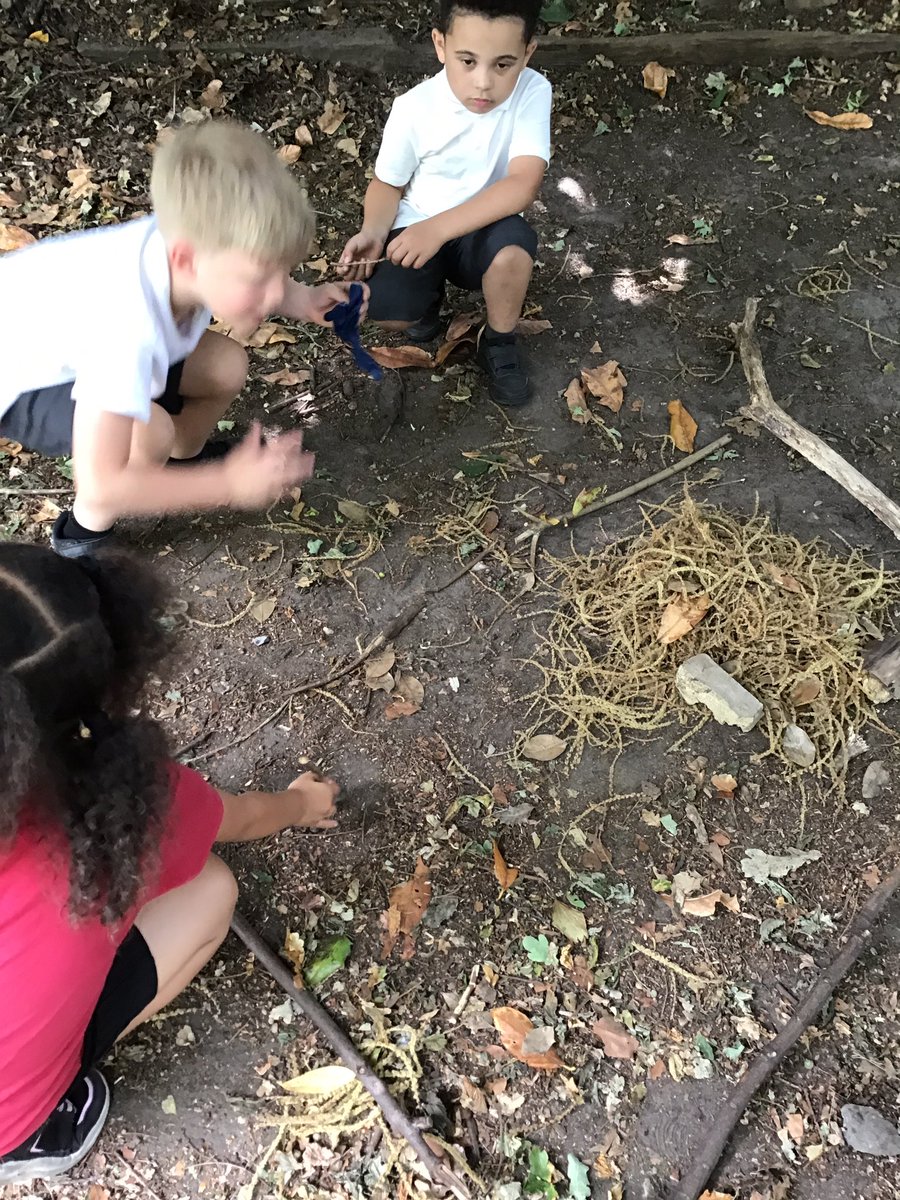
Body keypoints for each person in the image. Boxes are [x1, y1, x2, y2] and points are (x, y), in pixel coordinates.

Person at [0, 541, 340, 1184]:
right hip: (6, 1120)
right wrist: (302, 802)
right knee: (211, 887)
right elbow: (241, 818)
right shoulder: (128, 811)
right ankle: (43, 1132)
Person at [0, 120, 366, 559]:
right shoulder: (123, 323)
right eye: (258, 279)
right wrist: (228, 485)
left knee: (225, 365)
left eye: (280, 272)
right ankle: (81, 536)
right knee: (148, 433)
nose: (273, 293)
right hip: (22, 384)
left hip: (71, 347)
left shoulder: (202, 241)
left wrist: (302, 299)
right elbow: (101, 476)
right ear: (186, 260)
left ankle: (182, 458)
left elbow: (257, 272)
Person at [339, 0, 551, 408]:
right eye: (467, 61)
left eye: (503, 64)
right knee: (384, 306)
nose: (483, 82)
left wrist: (438, 230)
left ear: (528, 53)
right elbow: (387, 184)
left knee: (514, 249)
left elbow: (522, 185)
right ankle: (426, 303)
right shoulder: (414, 108)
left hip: (485, 227)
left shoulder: (533, 91)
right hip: (418, 225)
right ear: (440, 45)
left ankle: (499, 340)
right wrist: (374, 231)